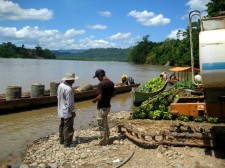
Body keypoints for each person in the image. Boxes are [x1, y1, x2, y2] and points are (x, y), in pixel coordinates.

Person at [92, 69, 115, 146]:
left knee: (101, 124)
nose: (97, 79)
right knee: (105, 122)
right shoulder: (111, 83)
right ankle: (107, 137)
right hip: (108, 106)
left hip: (102, 107)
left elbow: (100, 97)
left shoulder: (101, 84)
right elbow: (114, 94)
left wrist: (95, 100)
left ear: (100, 75)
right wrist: (107, 97)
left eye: (97, 77)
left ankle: (103, 141)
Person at [57, 72, 78, 147]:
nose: (74, 81)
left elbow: (58, 97)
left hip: (61, 110)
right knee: (68, 127)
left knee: (62, 125)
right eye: (73, 80)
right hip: (67, 111)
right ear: (69, 80)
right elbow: (70, 103)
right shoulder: (69, 89)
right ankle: (67, 143)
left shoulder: (60, 85)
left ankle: (61, 140)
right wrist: (73, 112)